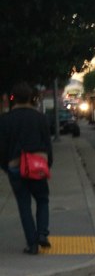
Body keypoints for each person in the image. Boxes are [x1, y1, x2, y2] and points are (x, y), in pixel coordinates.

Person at [0, 82, 53, 255]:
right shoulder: (40, 118)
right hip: (37, 165)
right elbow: (47, 144)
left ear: (13, 98)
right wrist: (47, 164)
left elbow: (2, 149)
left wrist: (6, 167)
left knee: (24, 205)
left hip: (15, 166)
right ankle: (42, 233)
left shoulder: (5, 120)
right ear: (31, 98)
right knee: (42, 200)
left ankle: (32, 244)